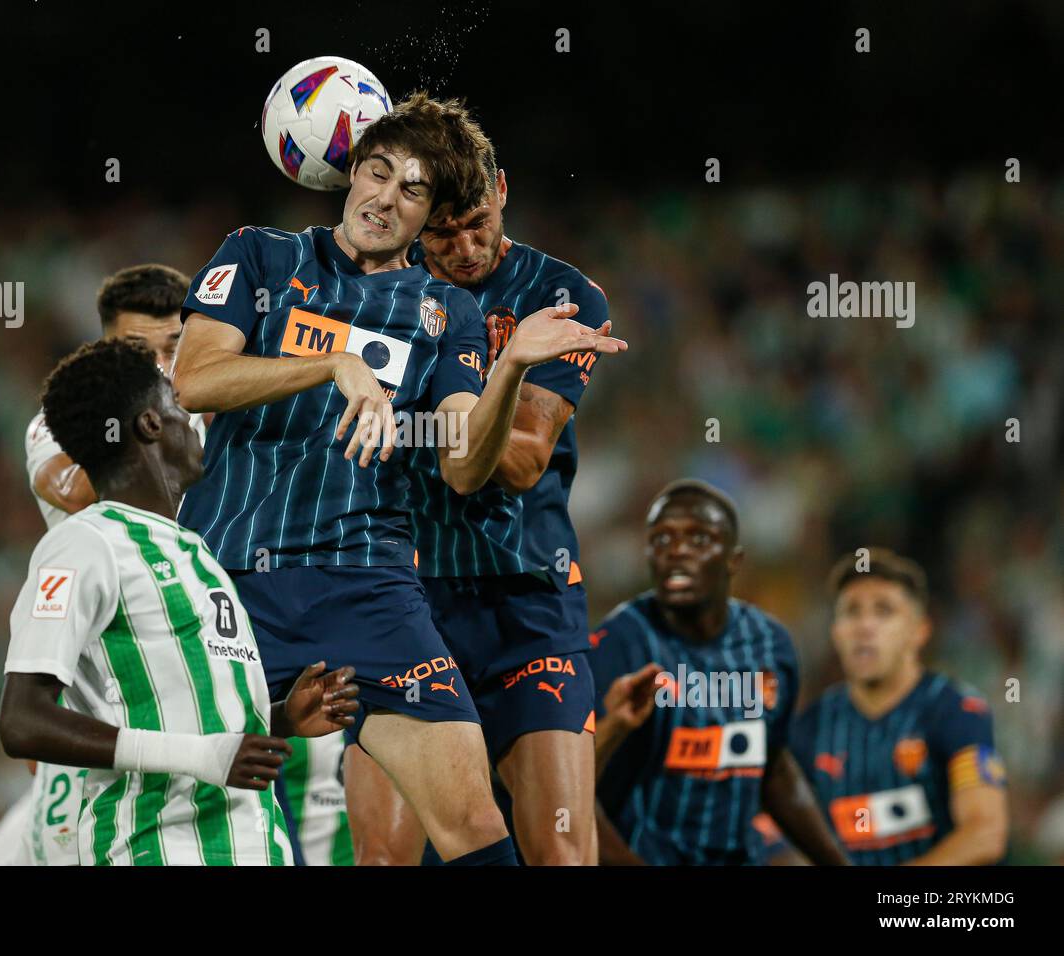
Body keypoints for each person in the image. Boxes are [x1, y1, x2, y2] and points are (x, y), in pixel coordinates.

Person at [170, 92, 627, 865]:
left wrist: (512, 365)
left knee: (480, 834)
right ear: (347, 173)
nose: (386, 196)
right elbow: (194, 379)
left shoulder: (446, 312)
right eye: (377, 172)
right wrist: (332, 366)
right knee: (194, 814)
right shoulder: (259, 255)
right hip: (230, 581)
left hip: (371, 591)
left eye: (413, 190)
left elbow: (463, 462)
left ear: (427, 218)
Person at [0, 337, 360, 864]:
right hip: (156, 848)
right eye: (174, 404)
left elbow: (192, 718)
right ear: (149, 424)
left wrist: (279, 718)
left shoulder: (197, 550)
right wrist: (199, 755)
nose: (190, 419)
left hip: (255, 847)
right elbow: (22, 721)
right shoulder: (85, 543)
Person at [346, 150, 610, 864]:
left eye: (478, 225)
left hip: (529, 601)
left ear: (502, 190)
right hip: (404, 601)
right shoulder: (374, 297)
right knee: (386, 857)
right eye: (442, 233)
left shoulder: (560, 294)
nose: (464, 250)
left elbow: (522, 463)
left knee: (561, 855)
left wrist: (508, 365)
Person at [0, 264, 194, 866]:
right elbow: (65, 483)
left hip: (182, 674)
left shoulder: (197, 418)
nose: (160, 367)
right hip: (98, 684)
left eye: (174, 347)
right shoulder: (64, 423)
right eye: (138, 351)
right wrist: (158, 436)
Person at [589, 479, 847, 865]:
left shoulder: (770, 645)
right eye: (661, 540)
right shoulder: (621, 644)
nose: (676, 552)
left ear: (733, 560)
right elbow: (572, 787)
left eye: (698, 540)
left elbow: (773, 766)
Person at [789, 548, 1009, 864]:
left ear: (919, 631)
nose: (864, 626)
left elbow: (985, 833)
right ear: (835, 632)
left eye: (884, 611)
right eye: (851, 612)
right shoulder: (811, 727)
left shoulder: (955, 711)